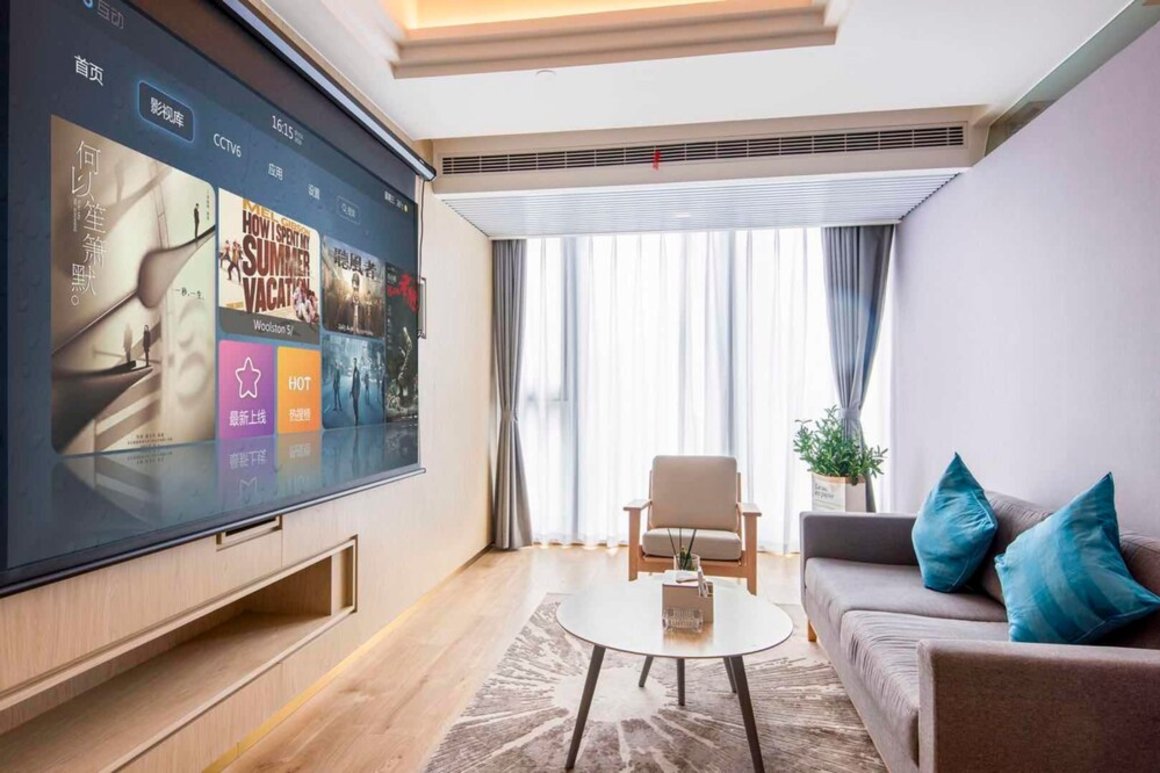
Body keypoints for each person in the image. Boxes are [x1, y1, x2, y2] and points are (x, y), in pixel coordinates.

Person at [350, 357, 361, 425]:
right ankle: (356, 417)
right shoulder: (354, 370)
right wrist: (351, 391)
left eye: (355, 362)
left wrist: (358, 392)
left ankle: (356, 418)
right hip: (354, 391)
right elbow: (353, 382)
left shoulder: (357, 371)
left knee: (355, 405)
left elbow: (358, 383)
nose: (354, 363)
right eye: (353, 362)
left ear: (356, 362)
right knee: (354, 405)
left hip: (356, 392)